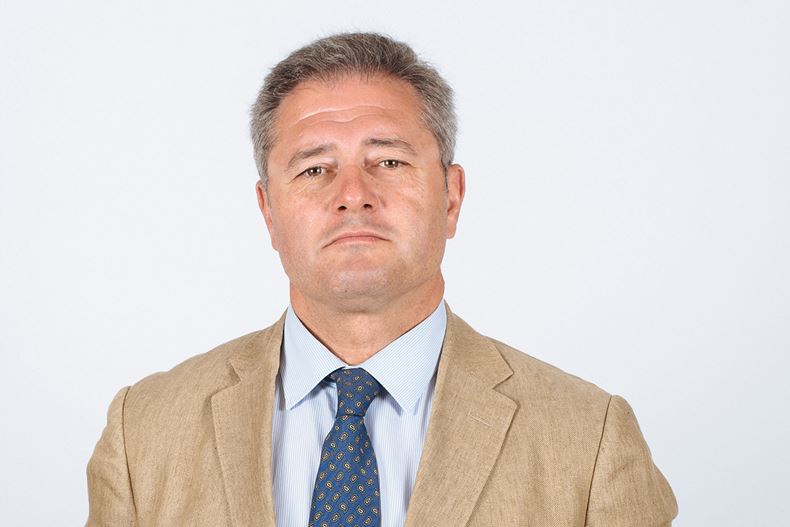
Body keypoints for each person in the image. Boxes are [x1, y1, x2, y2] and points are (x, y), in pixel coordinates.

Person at [86, 32, 678, 527]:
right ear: (268, 212)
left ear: (451, 197)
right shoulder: (143, 435)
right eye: (314, 168)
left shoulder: (590, 441)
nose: (353, 195)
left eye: (389, 161)